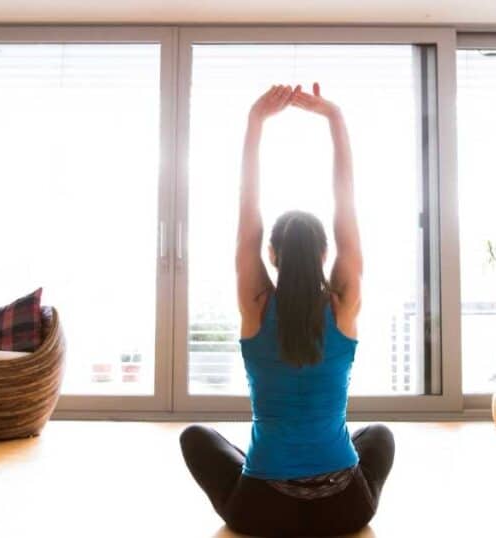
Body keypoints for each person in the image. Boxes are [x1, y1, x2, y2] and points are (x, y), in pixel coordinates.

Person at [179, 83, 395, 537]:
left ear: (272, 254)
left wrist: (256, 121)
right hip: (345, 509)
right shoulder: (343, 305)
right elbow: (346, 209)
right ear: (324, 255)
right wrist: (334, 118)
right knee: (379, 435)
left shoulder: (256, 304)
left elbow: (246, 217)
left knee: (195, 436)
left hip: (262, 510)